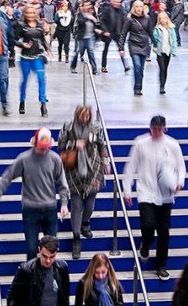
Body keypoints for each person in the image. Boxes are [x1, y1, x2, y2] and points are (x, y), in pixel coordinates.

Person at [0, 128, 71, 258]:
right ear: (35, 143)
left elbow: (63, 183)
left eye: (45, 147)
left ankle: (49, 276)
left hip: (49, 208)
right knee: (32, 248)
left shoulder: (54, 159)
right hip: (31, 209)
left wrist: (64, 204)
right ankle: (32, 276)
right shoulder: (24, 159)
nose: (43, 150)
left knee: (52, 249)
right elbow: (7, 177)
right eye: (41, 147)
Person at [124, 115, 186, 281]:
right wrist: (127, 190)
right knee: (148, 224)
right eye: (154, 129)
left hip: (165, 194)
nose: (156, 132)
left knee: (164, 232)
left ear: (164, 128)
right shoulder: (141, 143)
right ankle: (145, 244)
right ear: (150, 128)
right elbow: (131, 167)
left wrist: (179, 182)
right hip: (146, 191)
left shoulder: (172, 144)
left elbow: (181, 166)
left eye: (159, 129)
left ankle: (161, 265)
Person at [59, 105, 111, 260]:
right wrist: (75, 144)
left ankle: (85, 222)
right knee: (76, 205)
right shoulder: (68, 127)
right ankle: (76, 239)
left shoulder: (95, 127)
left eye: (88, 115)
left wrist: (106, 162)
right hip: (74, 169)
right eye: (83, 115)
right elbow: (60, 145)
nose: (85, 118)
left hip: (93, 168)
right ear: (77, 115)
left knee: (89, 205)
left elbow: (102, 145)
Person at [8, 234, 71, 306]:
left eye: (52, 257)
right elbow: (12, 297)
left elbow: (65, 297)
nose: (48, 261)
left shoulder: (62, 267)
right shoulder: (26, 270)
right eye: (44, 256)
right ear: (39, 250)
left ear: (57, 252)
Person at [15, 1, 52, 117]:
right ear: (25, 14)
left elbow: (42, 40)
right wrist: (22, 45)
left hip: (38, 57)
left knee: (42, 79)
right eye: (28, 13)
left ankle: (43, 104)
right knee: (25, 81)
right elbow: (13, 39)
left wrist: (48, 49)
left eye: (32, 12)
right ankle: (22, 101)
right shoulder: (21, 25)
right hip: (25, 58)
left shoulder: (40, 25)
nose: (31, 15)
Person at [123, 0, 154, 97]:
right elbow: (123, 33)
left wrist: (156, 44)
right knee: (137, 67)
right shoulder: (129, 19)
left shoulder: (147, 18)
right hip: (134, 44)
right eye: (137, 7)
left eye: (141, 7)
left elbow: (151, 32)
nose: (139, 9)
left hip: (144, 45)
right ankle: (137, 88)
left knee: (141, 69)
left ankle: (139, 86)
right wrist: (121, 47)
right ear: (134, 8)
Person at [70, 0, 100, 74]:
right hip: (81, 37)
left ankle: (94, 69)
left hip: (90, 36)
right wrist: (89, 18)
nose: (88, 7)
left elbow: (96, 22)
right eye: (86, 5)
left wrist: (97, 28)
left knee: (91, 52)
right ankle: (73, 67)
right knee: (78, 52)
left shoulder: (92, 13)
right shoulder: (80, 14)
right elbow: (80, 22)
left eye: (89, 5)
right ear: (83, 7)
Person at [152, 10, 179, 95]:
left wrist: (174, 50)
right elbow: (154, 39)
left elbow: (174, 40)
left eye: (164, 18)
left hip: (168, 51)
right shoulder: (157, 29)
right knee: (162, 68)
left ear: (167, 19)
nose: (163, 20)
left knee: (165, 69)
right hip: (160, 51)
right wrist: (154, 46)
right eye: (161, 18)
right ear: (159, 20)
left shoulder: (171, 28)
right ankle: (161, 87)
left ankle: (163, 84)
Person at [53, 0, 73, 64]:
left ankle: (67, 57)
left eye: (66, 6)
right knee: (60, 44)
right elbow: (55, 21)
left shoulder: (69, 13)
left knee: (66, 44)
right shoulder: (58, 13)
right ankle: (59, 56)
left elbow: (72, 21)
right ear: (61, 7)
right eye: (63, 6)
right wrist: (60, 18)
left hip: (67, 30)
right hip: (60, 30)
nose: (65, 7)